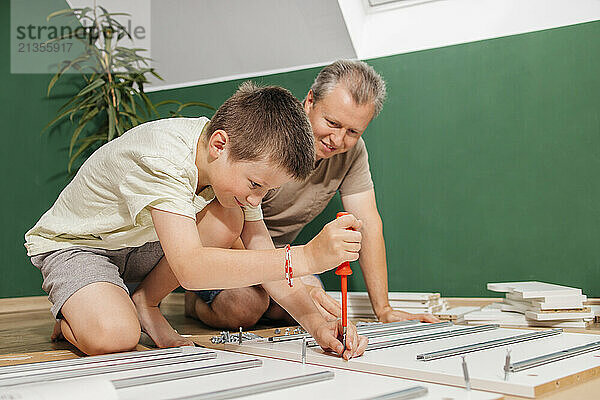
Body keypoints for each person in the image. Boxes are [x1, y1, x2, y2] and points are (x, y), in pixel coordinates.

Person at [25, 82, 367, 358]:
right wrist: (306, 257)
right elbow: (190, 269)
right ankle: (78, 315)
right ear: (219, 145)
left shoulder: (232, 162)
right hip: (83, 247)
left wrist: (315, 323)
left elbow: (260, 246)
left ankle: (146, 301)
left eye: (266, 191)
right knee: (115, 336)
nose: (255, 199)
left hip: (141, 244)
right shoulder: (164, 158)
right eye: (255, 185)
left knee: (229, 218)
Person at [186, 60, 440, 328]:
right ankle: (194, 302)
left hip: (285, 261)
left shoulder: (352, 153)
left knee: (323, 310)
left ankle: (272, 300)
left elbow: (369, 224)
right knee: (244, 307)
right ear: (310, 101)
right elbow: (230, 224)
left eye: (353, 131)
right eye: (332, 123)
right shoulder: (272, 135)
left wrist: (384, 309)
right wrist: (289, 283)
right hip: (234, 249)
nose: (338, 140)